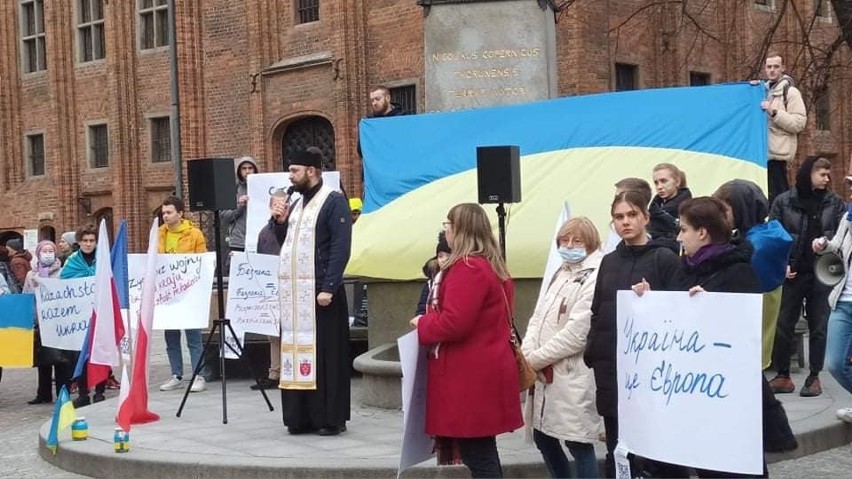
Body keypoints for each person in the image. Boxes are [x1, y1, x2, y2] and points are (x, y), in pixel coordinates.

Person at [634, 197, 773, 477]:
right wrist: (648, 300)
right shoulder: (686, 268)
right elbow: (674, 321)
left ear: (702, 232)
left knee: (734, 469)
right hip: (696, 395)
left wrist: (713, 310)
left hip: (728, 398)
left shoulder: (738, 270)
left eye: (683, 229)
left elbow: (746, 331)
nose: (679, 236)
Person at [409, 203, 522, 478]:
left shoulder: (468, 268)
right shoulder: (489, 265)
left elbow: (454, 323)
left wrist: (422, 323)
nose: (444, 229)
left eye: (447, 224)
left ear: (459, 230)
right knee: (482, 448)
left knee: (477, 452)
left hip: (470, 375)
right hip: (484, 368)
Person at [583, 190, 681, 478]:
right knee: (617, 446)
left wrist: (652, 301)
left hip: (651, 373)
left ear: (645, 218)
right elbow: (597, 309)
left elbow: (677, 314)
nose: (625, 222)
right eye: (618, 217)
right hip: (612, 369)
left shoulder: (665, 258)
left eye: (631, 215)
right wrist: (595, 352)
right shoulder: (609, 261)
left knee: (656, 449)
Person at [273, 148, 352, 436]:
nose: (290, 176)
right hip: (297, 296)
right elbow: (289, 245)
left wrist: (329, 287)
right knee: (297, 352)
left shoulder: (333, 201)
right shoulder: (297, 203)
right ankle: (300, 417)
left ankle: (330, 418)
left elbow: (340, 248)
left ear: (311, 170)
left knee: (327, 358)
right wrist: (278, 223)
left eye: (294, 170)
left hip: (322, 294)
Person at [522, 217, 603, 479]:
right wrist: (527, 352)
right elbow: (539, 316)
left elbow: (577, 333)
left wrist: (533, 360)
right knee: (543, 436)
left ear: (590, 243)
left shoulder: (594, 275)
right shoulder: (562, 271)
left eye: (577, 241)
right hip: (544, 371)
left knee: (577, 441)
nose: (569, 245)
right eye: (564, 240)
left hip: (570, 373)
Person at [769, 156, 845, 397]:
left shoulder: (835, 203)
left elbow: (843, 240)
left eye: (828, 173)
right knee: (784, 324)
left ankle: (814, 377)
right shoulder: (784, 202)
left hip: (823, 272)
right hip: (793, 272)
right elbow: (774, 236)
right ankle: (783, 375)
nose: (827, 178)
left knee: (818, 325)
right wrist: (781, 264)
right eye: (822, 173)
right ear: (807, 173)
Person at [157, 195, 209, 393]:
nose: (166, 216)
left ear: (180, 213)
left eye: (169, 212)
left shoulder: (194, 234)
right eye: (163, 213)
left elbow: (201, 261)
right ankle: (176, 374)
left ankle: (199, 374)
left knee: (193, 337)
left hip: (189, 292)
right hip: (168, 292)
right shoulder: (159, 234)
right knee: (171, 336)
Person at [812, 175, 852, 423]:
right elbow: (836, 245)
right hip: (843, 300)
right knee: (835, 363)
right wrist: (822, 244)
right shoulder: (848, 215)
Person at [60, 225, 106, 407]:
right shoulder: (72, 261)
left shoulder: (103, 259)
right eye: (85, 241)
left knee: (100, 353)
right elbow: (64, 283)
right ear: (79, 242)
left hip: (99, 314)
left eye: (92, 241)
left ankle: (100, 390)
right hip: (79, 317)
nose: (88, 244)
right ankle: (83, 392)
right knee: (80, 356)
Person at [24, 240, 73, 405]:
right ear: (38, 254)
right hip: (40, 321)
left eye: (50, 250)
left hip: (59, 321)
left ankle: (62, 392)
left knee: (61, 359)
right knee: (42, 359)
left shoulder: (63, 272)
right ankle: (43, 393)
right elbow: (27, 296)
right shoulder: (32, 275)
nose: (47, 254)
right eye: (44, 251)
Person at [250, 189, 289, 391]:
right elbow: (259, 261)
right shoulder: (264, 233)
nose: (280, 207)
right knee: (273, 334)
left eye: (284, 204)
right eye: (276, 204)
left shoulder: (294, 227)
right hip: (271, 289)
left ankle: (291, 371)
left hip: (290, 286)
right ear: (270, 206)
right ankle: (274, 373)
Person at [761, 53, 807, 206]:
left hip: (778, 157)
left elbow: (799, 123)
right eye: (769, 67)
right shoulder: (762, 91)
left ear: (783, 68)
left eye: (776, 66)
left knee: (779, 203)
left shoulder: (791, 92)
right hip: (762, 156)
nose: (772, 70)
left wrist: (774, 112)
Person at [220, 156, 259, 255]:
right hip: (238, 241)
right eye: (244, 168)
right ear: (239, 171)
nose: (247, 171)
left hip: (258, 240)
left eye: (250, 168)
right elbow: (224, 216)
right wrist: (239, 205)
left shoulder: (262, 187)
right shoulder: (233, 189)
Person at [649, 163, 692, 237]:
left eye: (664, 181)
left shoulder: (689, 209)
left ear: (677, 182)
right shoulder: (654, 208)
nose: (659, 187)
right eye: (656, 183)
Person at [415, 232, 451, 316]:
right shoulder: (431, 282)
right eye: (440, 256)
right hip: (429, 321)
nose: (444, 259)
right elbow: (422, 308)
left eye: (448, 255)